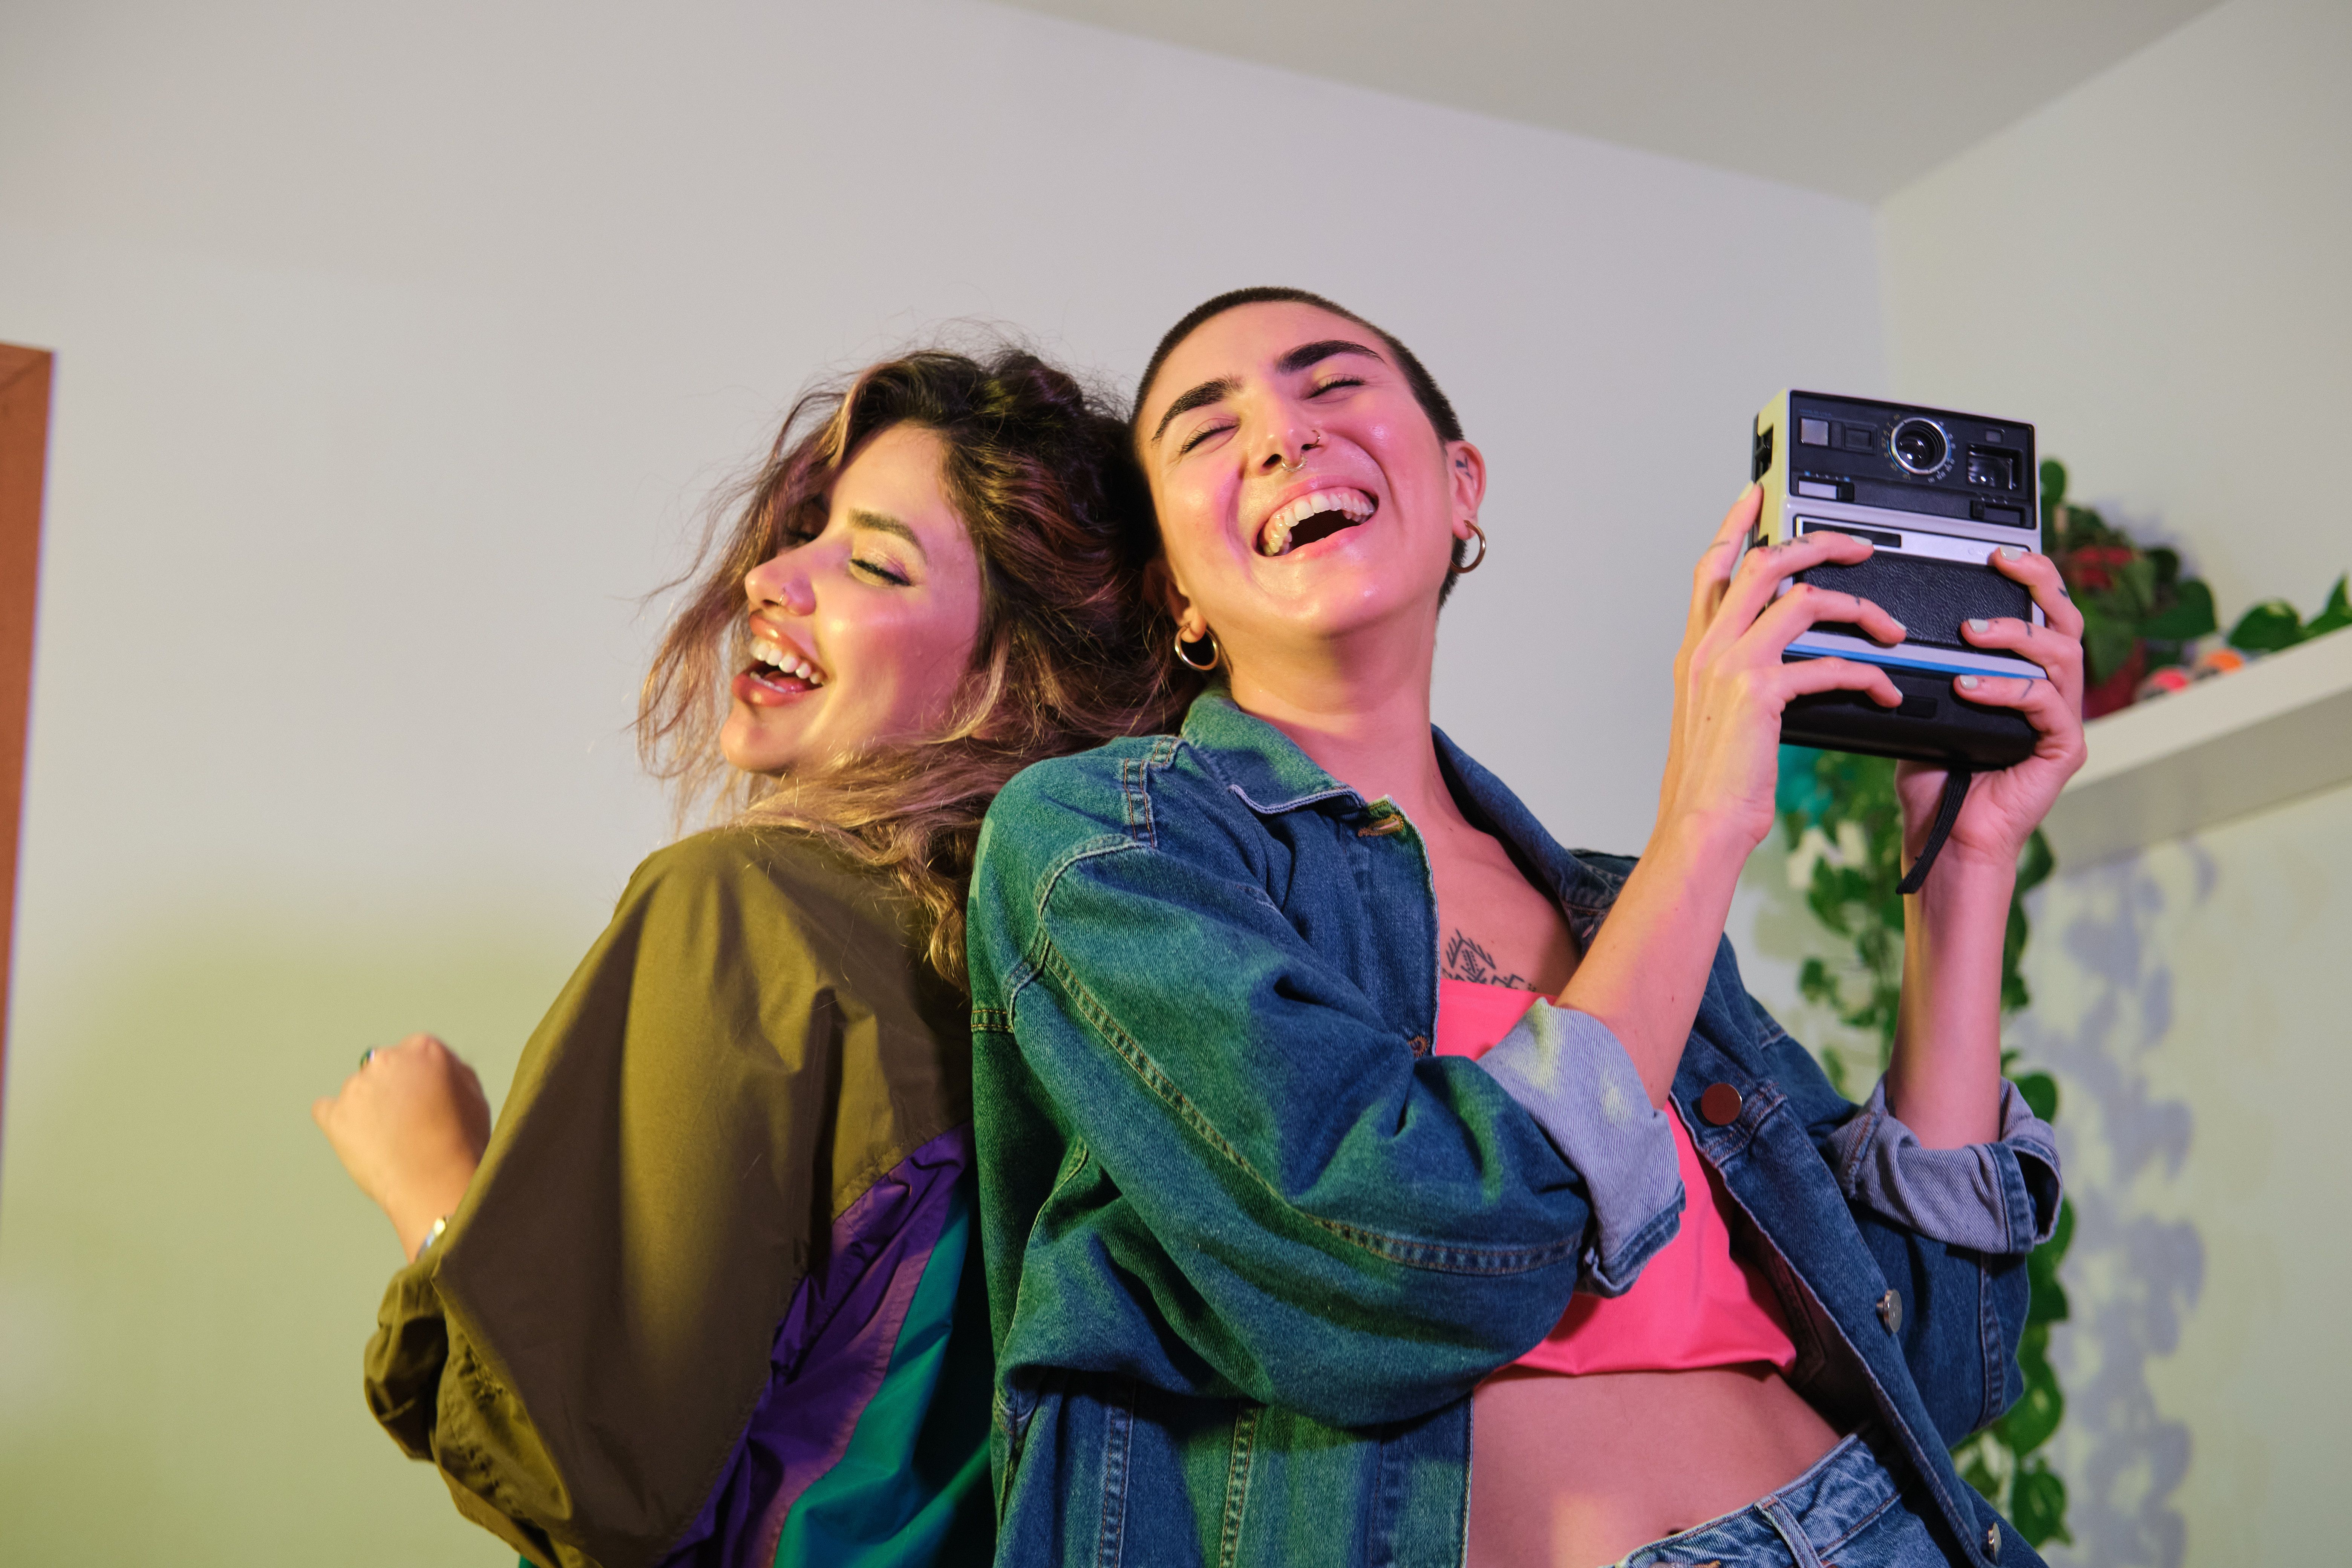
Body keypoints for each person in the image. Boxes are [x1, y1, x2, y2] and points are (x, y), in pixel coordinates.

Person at [964, 288, 2079, 1567]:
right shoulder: (1106, 843)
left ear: (1461, 488)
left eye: (1333, 386)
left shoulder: (1627, 915)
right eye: (1208, 433)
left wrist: (1963, 866)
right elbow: (1407, 1266)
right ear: (1179, 595)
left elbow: (1938, 1357)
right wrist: (1705, 823)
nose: (1283, 437)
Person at [311, 345, 1179, 1568]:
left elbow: (586, 1482)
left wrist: (435, 1190)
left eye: (873, 560)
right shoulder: (1124, 992)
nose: (774, 575)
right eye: (806, 534)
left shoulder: (748, 913)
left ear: (1012, 679)